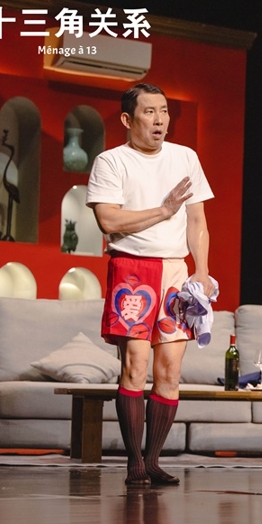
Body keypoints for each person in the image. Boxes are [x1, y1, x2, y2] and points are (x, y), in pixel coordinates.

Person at [86, 83, 216, 486]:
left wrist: (201, 270)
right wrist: (162, 210)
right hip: (132, 269)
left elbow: (197, 221)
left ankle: (154, 460)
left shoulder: (185, 157)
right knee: (135, 365)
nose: (160, 120)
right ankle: (134, 463)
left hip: (176, 271)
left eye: (164, 111)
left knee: (170, 370)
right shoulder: (111, 161)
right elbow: (108, 220)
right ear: (128, 119)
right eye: (149, 112)